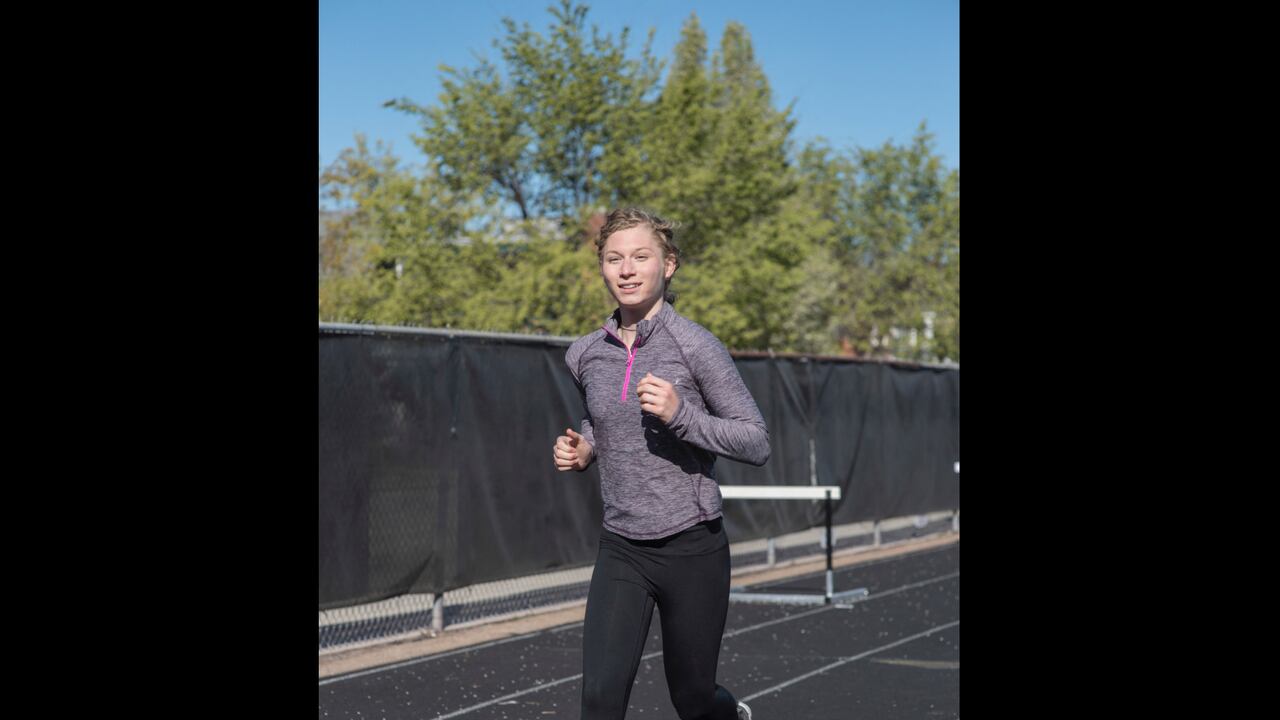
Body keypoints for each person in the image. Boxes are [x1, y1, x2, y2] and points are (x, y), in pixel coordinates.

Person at [553, 207, 769, 720]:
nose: (626, 270)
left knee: (692, 699)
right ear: (602, 268)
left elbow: (756, 442)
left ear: (667, 266)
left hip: (691, 544)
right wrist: (586, 449)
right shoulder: (584, 354)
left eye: (640, 257)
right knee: (600, 699)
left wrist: (682, 415)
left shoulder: (695, 346)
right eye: (614, 258)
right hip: (623, 545)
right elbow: (600, 419)